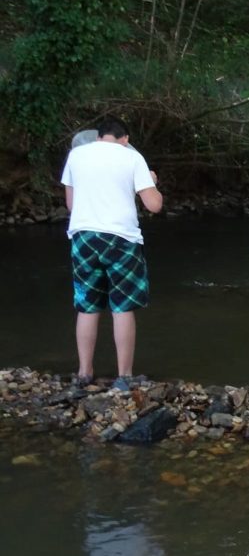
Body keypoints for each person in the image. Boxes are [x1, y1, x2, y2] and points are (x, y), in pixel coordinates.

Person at [60, 117, 163, 391]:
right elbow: (153, 205)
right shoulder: (132, 157)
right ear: (125, 138)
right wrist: (151, 181)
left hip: (82, 237)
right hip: (121, 238)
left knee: (87, 305)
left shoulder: (76, 155)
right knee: (122, 307)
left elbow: (71, 204)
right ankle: (124, 377)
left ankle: (84, 373)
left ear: (99, 136)